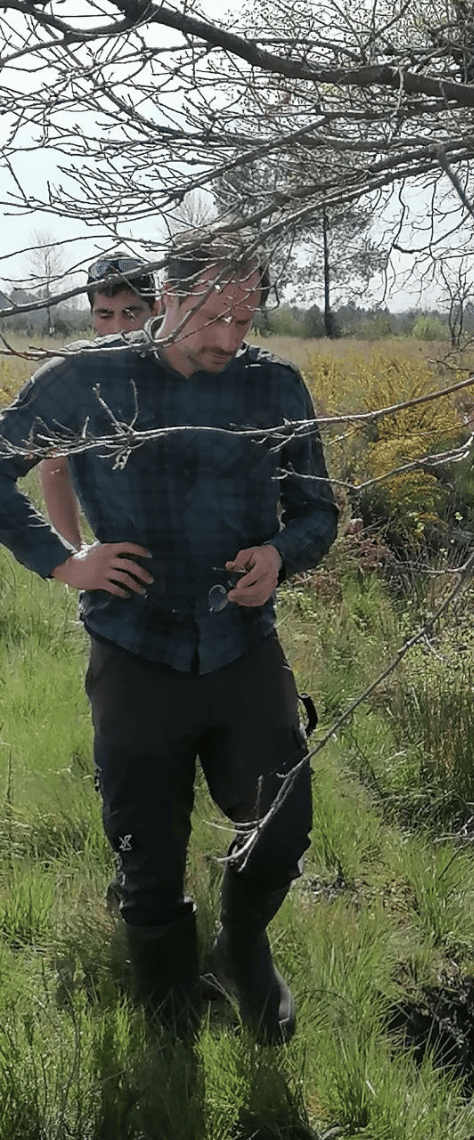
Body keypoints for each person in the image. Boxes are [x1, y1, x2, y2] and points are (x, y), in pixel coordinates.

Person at [0, 229, 339, 1043]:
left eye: (246, 315)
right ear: (171, 300)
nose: (230, 335)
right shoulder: (85, 380)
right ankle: (167, 1016)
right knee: (146, 851)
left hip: (242, 647)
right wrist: (63, 561)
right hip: (135, 649)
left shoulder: (275, 388)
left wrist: (279, 555)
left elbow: (320, 511)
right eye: (213, 315)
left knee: (282, 827)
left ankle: (240, 949)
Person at [38, 253, 159, 548]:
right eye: (105, 315)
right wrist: (74, 555)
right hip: (117, 576)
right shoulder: (76, 380)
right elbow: (54, 468)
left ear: (156, 310)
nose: (118, 327)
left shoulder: (182, 367)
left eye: (131, 313)